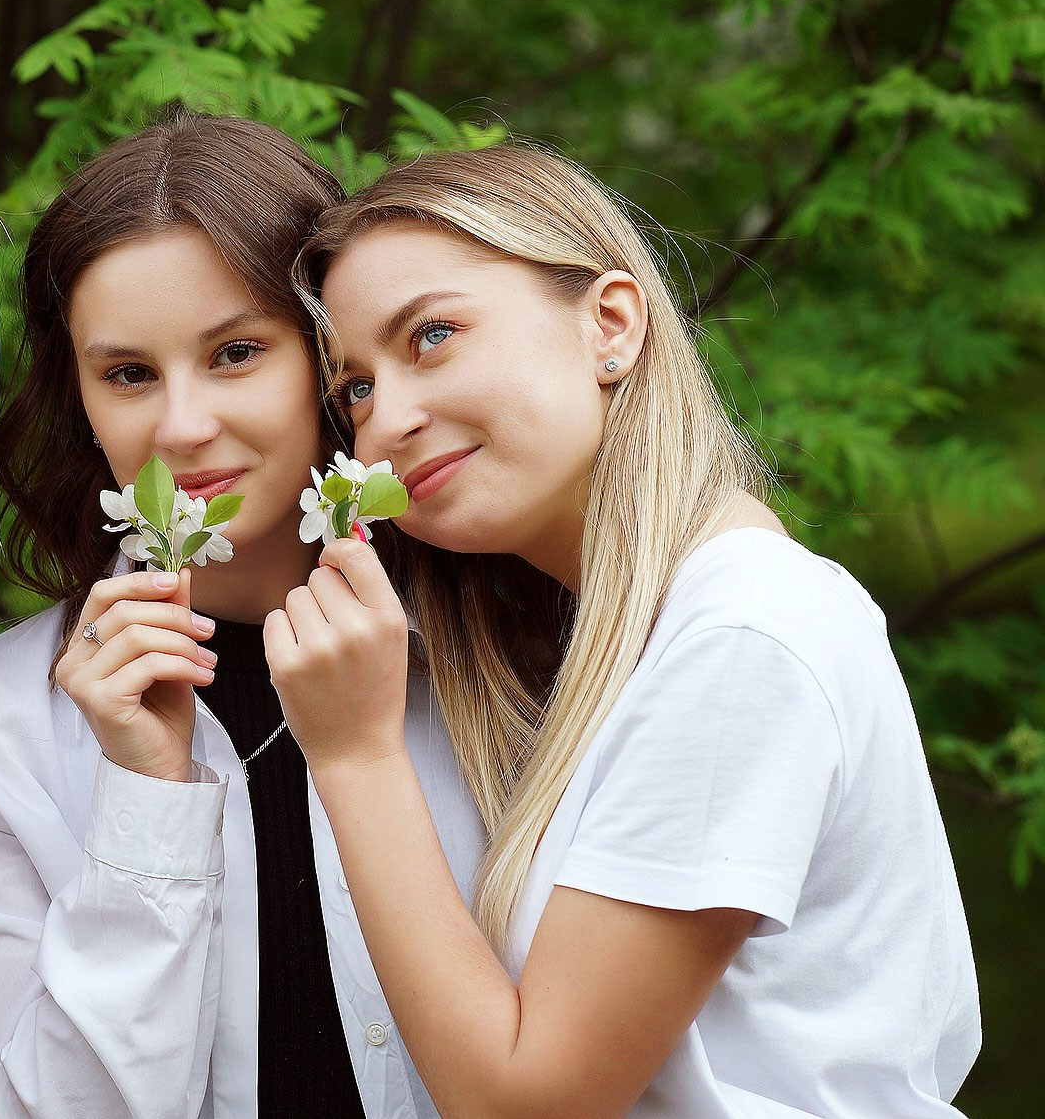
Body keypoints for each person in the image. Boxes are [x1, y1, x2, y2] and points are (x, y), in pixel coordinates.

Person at [265, 143, 980, 1117]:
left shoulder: (741, 637)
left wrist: (353, 755)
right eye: (355, 388)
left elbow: (525, 1102)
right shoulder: (637, 644)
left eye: (430, 335)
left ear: (609, 323)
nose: (383, 420)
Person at [0, 114, 484, 1119]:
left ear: (324, 356)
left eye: (234, 352)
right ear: (76, 397)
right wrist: (142, 791)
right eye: (127, 373)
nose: (181, 426)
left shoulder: (504, 654)